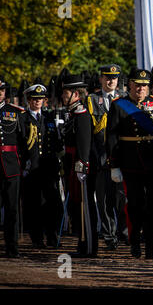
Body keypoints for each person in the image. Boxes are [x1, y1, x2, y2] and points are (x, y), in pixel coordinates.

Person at [106, 68, 153, 260]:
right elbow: (112, 137)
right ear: (129, 84)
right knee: (135, 206)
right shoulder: (119, 105)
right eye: (137, 85)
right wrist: (114, 164)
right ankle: (135, 241)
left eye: (144, 85)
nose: (141, 89)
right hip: (130, 161)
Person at [86, 64, 126, 250]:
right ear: (101, 79)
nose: (111, 81)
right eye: (107, 77)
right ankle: (109, 236)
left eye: (114, 77)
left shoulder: (125, 99)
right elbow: (89, 133)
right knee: (103, 201)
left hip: (121, 157)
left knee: (122, 199)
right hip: (101, 157)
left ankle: (125, 233)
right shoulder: (92, 100)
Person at [20, 84, 63, 249]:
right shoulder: (23, 118)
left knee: (53, 203)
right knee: (34, 204)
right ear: (29, 100)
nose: (38, 102)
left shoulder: (49, 117)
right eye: (34, 99)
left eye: (41, 99)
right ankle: (37, 237)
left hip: (49, 167)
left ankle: (53, 236)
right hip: (32, 168)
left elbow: (56, 142)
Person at [61, 74, 98, 258]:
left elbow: (84, 142)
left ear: (75, 94)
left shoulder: (81, 113)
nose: (63, 96)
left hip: (80, 164)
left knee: (85, 205)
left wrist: (82, 163)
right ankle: (82, 244)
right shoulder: (73, 113)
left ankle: (89, 246)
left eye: (66, 92)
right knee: (78, 206)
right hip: (72, 164)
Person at [0, 74, 26, 258]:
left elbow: (22, 140)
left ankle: (12, 247)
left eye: (2, 90)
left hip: (12, 166)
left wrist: (25, 161)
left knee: (13, 209)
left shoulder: (15, 111)